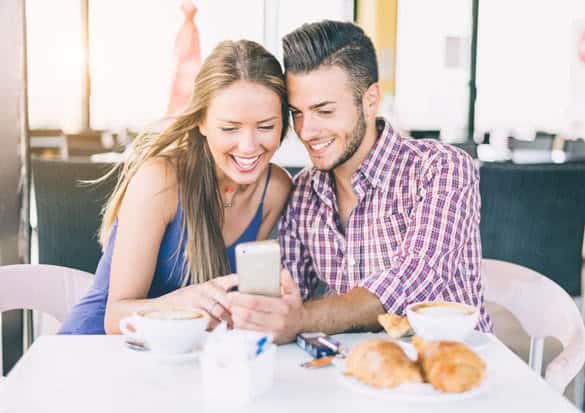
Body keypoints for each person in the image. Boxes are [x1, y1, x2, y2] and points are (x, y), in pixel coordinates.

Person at [228, 21, 492, 343]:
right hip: (352, 376)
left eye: (324, 111)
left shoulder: (440, 169)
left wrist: (299, 319)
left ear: (370, 100)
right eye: (297, 113)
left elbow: (410, 285)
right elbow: (289, 296)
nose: (306, 131)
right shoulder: (303, 193)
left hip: (452, 372)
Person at [59, 39, 291, 334]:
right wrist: (183, 303)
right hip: (97, 348)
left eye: (266, 127)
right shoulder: (160, 180)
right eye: (230, 128)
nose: (248, 147)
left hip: (180, 356)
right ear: (202, 123)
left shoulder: (274, 189)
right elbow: (115, 317)